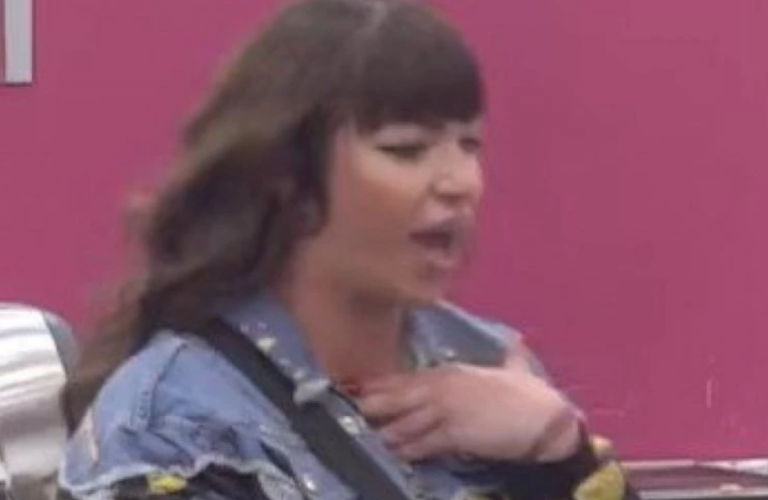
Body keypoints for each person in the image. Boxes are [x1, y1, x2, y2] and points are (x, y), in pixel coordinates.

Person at [59, 1, 637, 499]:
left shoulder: (492, 363)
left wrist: (559, 452)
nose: (462, 182)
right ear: (285, 177)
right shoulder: (176, 428)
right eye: (406, 149)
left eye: (470, 145)